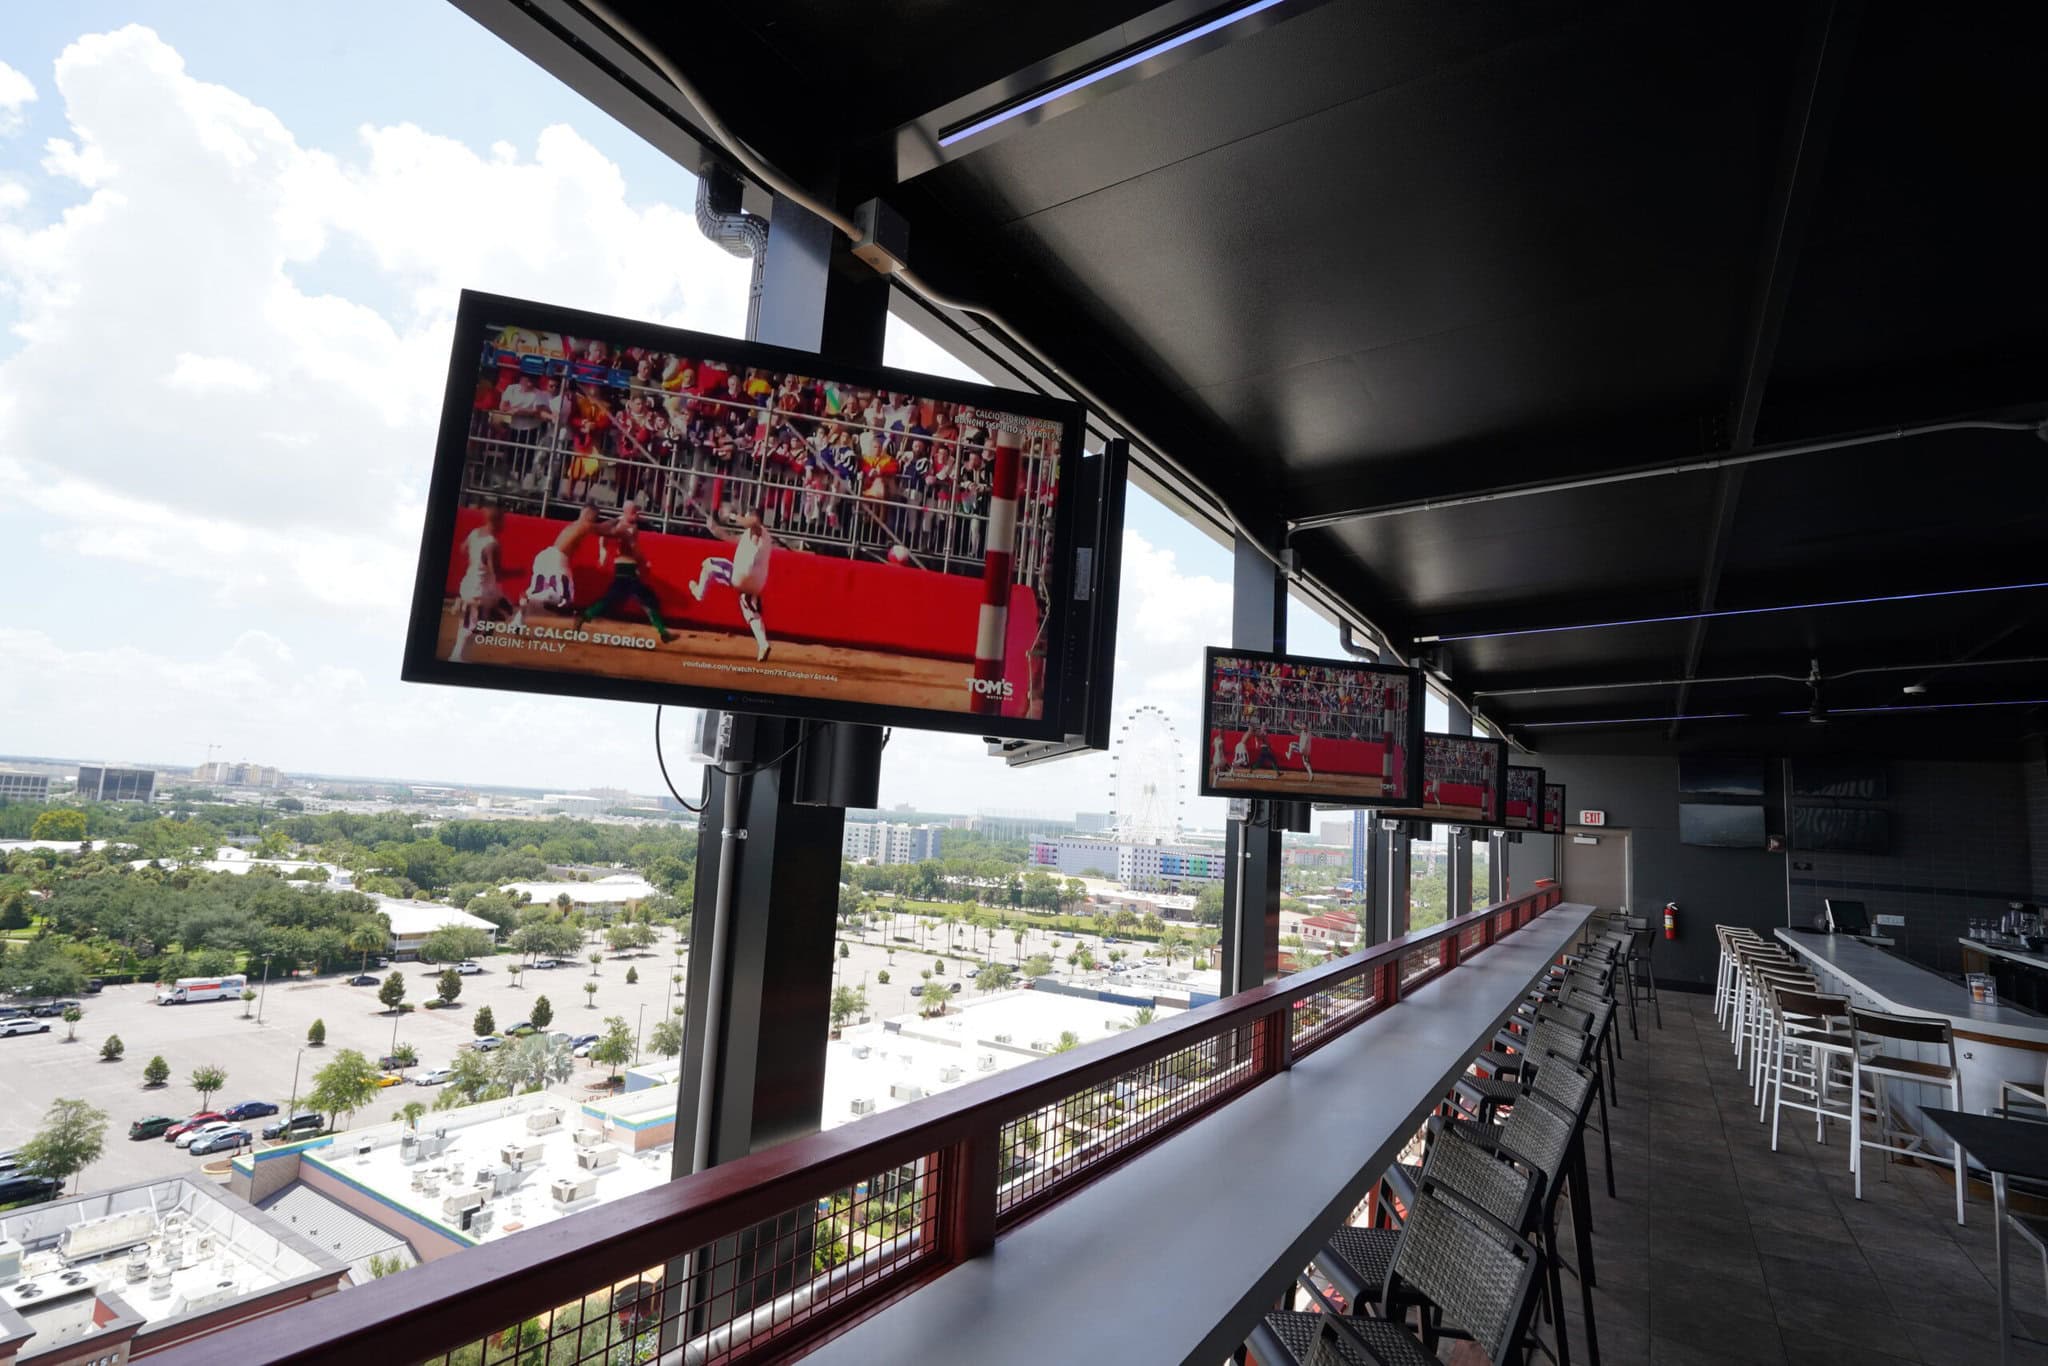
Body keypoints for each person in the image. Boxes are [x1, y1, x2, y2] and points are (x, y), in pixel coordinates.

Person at [578, 502, 673, 643]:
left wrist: (603, 551)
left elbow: (605, 535)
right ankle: (662, 631)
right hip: (627, 567)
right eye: (634, 512)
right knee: (646, 600)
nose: (637, 515)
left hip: (624, 567)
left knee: (613, 598)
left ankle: (586, 615)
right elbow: (633, 548)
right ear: (627, 512)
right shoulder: (626, 528)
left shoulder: (623, 524)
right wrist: (643, 563)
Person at [690, 512, 773, 661]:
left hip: (741, 575)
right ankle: (763, 644)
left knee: (708, 564)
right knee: (749, 610)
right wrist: (715, 529)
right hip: (756, 583)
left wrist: (733, 516)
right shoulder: (755, 536)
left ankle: (699, 594)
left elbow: (753, 522)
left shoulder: (758, 530)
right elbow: (731, 538)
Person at [511, 504, 601, 628]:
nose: (595, 520)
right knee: (563, 598)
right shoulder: (583, 525)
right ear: (589, 515)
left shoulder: (576, 525)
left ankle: (518, 619)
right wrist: (621, 519)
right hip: (557, 559)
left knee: (539, 591)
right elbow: (606, 529)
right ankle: (532, 599)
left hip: (548, 556)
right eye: (595, 517)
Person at [452, 505, 507, 661]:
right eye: (503, 521)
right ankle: (457, 657)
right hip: (480, 589)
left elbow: (463, 549)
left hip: (470, 583)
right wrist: (516, 573)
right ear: (497, 521)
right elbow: (495, 572)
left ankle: (460, 655)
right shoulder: (492, 544)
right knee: (471, 625)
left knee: (470, 623)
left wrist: (475, 559)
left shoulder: (475, 533)